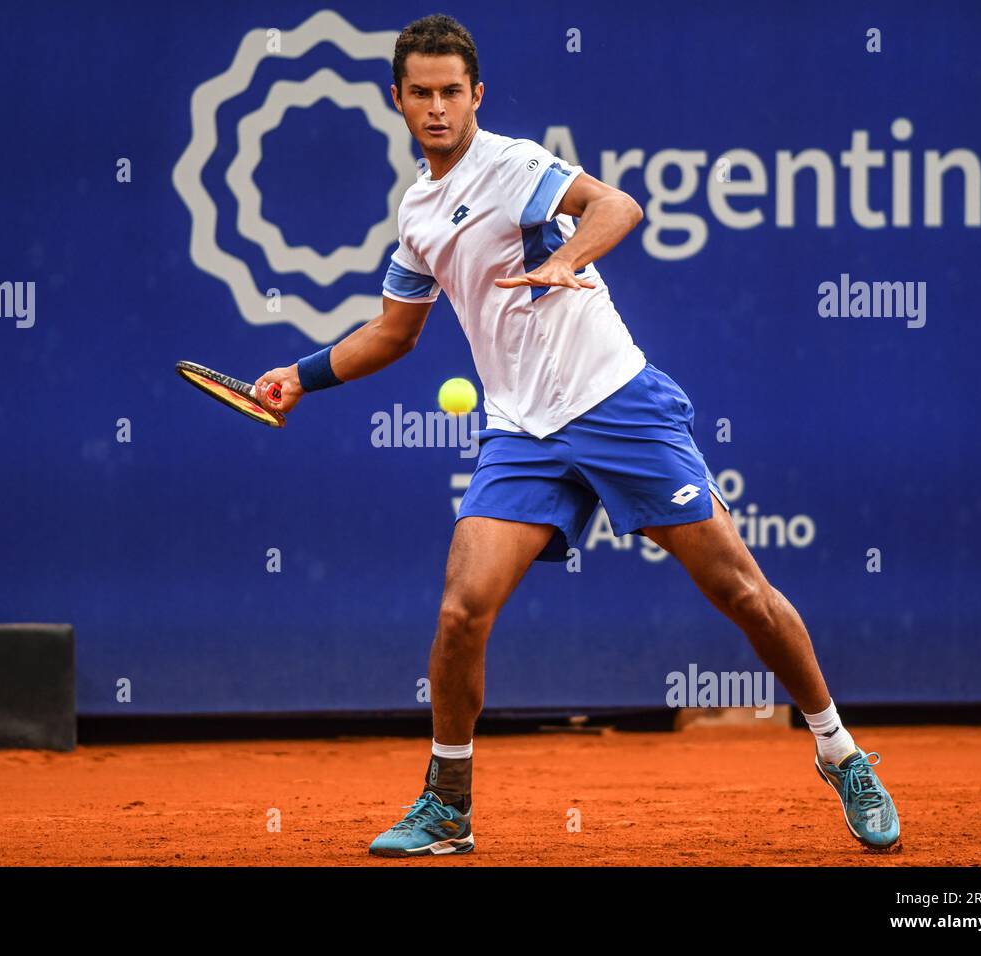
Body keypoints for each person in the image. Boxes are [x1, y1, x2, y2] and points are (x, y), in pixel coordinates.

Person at [255, 14, 900, 857]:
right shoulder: (417, 213)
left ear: (476, 95)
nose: (439, 107)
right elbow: (394, 333)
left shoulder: (516, 164)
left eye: (454, 92)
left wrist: (566, 259)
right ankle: (448, 804)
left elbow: (616, 204)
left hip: (615, 402)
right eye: (423, 94)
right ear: (398, 100)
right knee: (461, 612)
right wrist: (299, 376)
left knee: (739, 589)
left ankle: (839, 751)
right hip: (522, 431)